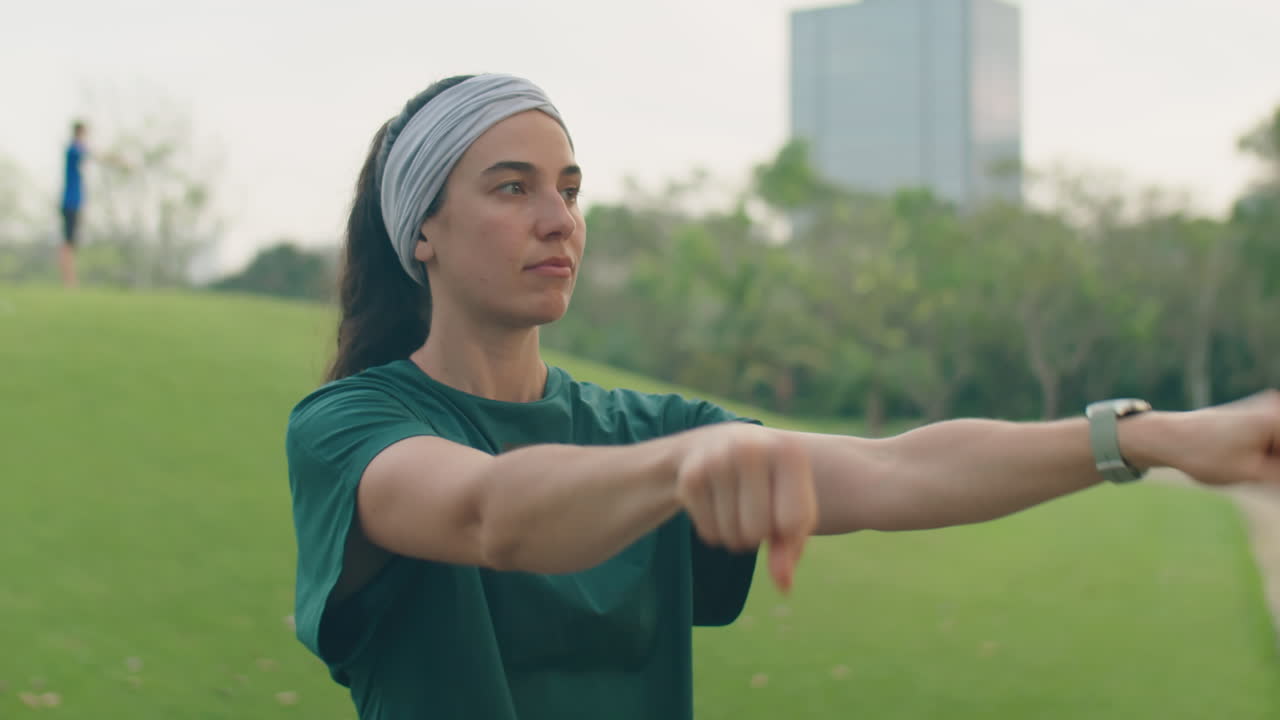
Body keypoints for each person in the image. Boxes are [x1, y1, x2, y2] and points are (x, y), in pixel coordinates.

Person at [284, 74, 1279, 720]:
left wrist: (1154, 438)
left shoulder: (648, 432)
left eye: (571, 188)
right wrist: (680, 470)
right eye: (512, 189)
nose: (558, 219)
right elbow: (490, 513)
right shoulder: (351, 428)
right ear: (422, 230)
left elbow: (897, 468)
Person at [58, 120, 90, 288]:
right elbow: (94, 155)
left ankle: (70, 280)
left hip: (75, 203)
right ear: (80, 133)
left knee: (72, 241)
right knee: (68, 242)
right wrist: (119, 161)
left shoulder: (76, 150)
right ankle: (69, 281)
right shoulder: (73, 149)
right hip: (70, 202)